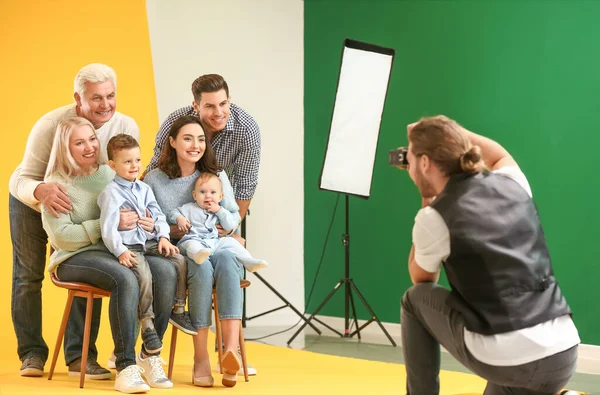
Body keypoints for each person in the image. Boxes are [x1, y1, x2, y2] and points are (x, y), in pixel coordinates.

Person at [399, 115, 580, 395]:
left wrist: (426, 201)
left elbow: (421, 279)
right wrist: (452, 131)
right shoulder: (513, 183)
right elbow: (500, 155)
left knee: (413, 301)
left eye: (409, 159)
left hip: (510, 359)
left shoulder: (435, 217)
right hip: (563, 354)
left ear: (425, 163)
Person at [9, 63, 140, 377]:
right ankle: (31, 354)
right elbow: (22, 178)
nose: (105, 105)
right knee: (28, 276)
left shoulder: (124, 125)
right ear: (78, 99)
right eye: (96, 98)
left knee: (88, 263)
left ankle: (78, 357)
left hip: (85, 199)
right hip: (33, 198)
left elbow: (126, 175)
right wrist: (41, 191)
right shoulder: (51, 124)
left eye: (110, 95)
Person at [41, 117, 178, 393]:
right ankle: (126, 366)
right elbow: (61, 237)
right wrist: (106, 225)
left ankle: (149, 355)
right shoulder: (56, 183)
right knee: (125, 278)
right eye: (79, 142)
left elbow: (137, 214)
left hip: (114, 249)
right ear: (65, 147)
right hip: (72, 257)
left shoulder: (109, 173)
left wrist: (148, 224)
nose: (89, 146)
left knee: (166, 271)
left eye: (92, 138)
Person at [144, 115, 245, 388]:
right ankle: (201, 358)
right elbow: (150, 223)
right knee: (199, 267)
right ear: (173, 142)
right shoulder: (154, 179)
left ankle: (229, 352)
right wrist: (174, 231)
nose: (195, 145)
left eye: (201, 139)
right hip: (181, 252)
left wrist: (226, 226)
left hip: (217, 245)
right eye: (188, 138)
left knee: (227, 258)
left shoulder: (216, 175)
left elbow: (233, 216)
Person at [98, 134, 197, 344]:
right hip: (130, 245)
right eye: (127, 162)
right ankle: (147, 324)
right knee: (143, 275)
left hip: (149, 241)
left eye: (137, 160)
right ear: (113, 165)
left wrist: (163, 236)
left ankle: (178, 309)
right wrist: (120, 251)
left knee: (179, 259)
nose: (134, 166)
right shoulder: (111, 193)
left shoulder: (144, 188)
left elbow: (158, 214)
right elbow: (107, 229)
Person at [145, 73, 260, 221]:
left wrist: (231, 227)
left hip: (218, 203)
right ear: (196, 106)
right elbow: (156, 166)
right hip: (173, 209)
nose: (219, 113)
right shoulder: (176, 122)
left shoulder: (246, 129)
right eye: (210, 106)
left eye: (223, 104)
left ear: (229, 101)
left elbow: (246, 185)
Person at [171, 172, 268, 272]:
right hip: (194, 238)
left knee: (231, 242)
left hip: (215, 241)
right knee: (191, 245)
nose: (208, 196)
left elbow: (230, 225)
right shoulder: (189, 208)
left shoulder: (221, 211)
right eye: (203, 192)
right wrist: (179, 218)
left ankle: (248, 261)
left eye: (213, 192)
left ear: (220, 197)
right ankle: (198, 255)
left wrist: (219, 211)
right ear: (195, 195)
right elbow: (173, 213)